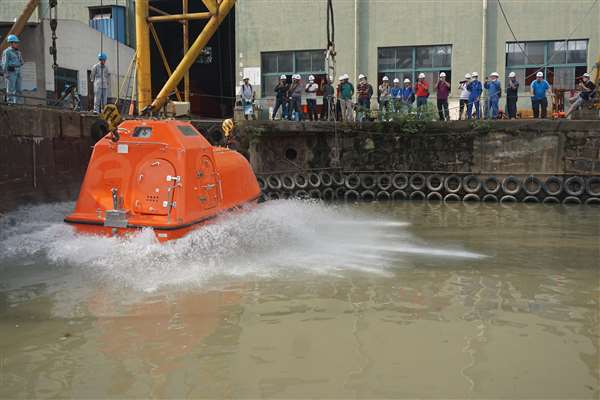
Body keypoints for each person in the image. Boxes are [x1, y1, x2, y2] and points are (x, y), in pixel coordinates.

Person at [1, 34, 24, 104]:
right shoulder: (7, 52)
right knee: (11, 88)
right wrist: (5, 73)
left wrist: (20, 62)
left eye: (17, 42)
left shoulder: (18, 52)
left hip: (18, 70)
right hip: (11, 71)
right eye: (15, 42)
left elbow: (22, 62)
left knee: (19, 88)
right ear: (11, 43)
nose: (17, 44)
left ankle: (18, 103)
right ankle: (10, 103)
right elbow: (4, 63)